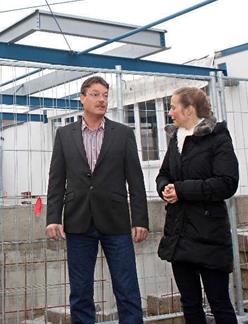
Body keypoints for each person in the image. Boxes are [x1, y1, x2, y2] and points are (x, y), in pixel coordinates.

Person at [46, 75, 148, 324]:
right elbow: (56, 180)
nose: (101, 99)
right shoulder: (64, 134)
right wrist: (53, 218)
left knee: (127, 289)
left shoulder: (123, 134)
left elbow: (135, 180)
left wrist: (140, 220)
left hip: (116, 222)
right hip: (78, 221)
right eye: (95, 94)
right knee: (80, 292)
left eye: (104, 95)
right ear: (82, 99)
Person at [156, 87, 239, 324]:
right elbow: (163, 173)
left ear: (189, 109)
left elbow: (226, 183)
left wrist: (181, 190)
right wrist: (165, 188)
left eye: (173, 107)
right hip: (179, 234)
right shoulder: (175, 138)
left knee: (219, 302)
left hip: (208, 235)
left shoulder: (217, 137)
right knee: (189, 303)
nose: (170, 112)